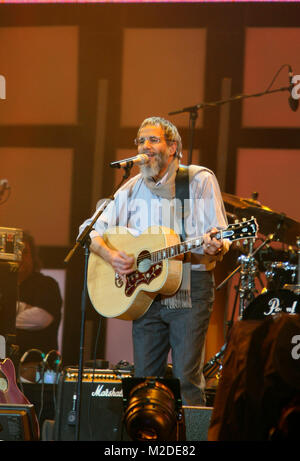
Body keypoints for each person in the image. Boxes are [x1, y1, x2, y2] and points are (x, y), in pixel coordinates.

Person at [79, 116, 229, 405]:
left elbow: (221, 234)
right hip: (146, 292)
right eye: (140, 140)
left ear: (172, 147)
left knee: (187, 379)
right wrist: (112, 255)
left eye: (153, 139)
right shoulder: (131, 187)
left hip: (188, 283)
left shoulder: (198, 179)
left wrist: (217, 244)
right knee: (145, 381)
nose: (145, 146)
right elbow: (89, 229)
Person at [16, 232, 62, 376]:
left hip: (36, 371)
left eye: (25, 253)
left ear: (33, 257)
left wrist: (6, 313)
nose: (20, 258)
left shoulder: (46, 284)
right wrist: (23, 308)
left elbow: (40, 318)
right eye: (15, 252)